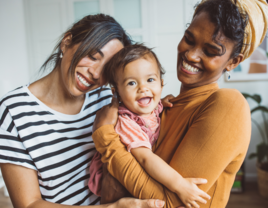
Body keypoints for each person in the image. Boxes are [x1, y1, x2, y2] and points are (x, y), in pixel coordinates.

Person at [91, 0, 268, 208]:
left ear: (233, 62)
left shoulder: (229, 105)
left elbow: (167, 204)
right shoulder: (162, 107)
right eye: (189, 39)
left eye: (210, 51)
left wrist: (106, 140)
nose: (191, 55)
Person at [0, 14, 165, 208]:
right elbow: (28, 205)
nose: (95, 74)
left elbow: (146, 116)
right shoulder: (13, 111)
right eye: (93, 57)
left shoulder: (107, 95)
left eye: (106, 70)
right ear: (66, 42)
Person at [88, 44, 210, 208]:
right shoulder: (126, 122)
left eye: (150, 80)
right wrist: (180, 185)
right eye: (131, 83)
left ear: (161, 83)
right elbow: (145, 159)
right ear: (116, 92)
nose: (143, 88)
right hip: (122, 185)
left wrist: (164, 101)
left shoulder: (155, 107)